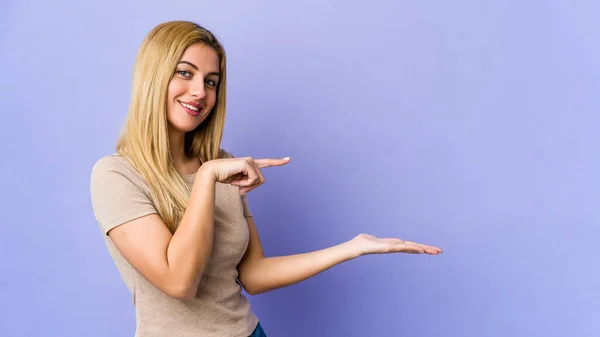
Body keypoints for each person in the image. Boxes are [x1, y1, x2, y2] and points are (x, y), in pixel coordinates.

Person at [89, 20, 443, 337]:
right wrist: (207, 180)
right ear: (154, 76)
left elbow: (253, 274)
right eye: (185, 73)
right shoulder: (116, 175)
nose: (200, 92)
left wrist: (351, 247)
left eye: (211, 81)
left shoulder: (221, 164)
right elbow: (179, 281)